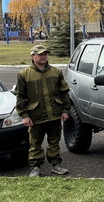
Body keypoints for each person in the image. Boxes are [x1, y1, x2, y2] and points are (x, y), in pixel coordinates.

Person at [16, 45, 72, 177]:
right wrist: (24, 115)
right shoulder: (24, 74)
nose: (43, 57)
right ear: (32, 56)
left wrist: (65, 110)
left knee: (54, 141)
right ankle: (36, 167)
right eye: (40, 54)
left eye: (45, 54)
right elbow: (21, 96)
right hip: (35, 116)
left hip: (54, 114)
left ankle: (56, 165)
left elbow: (64, 92)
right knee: (35, 143)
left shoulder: (56, 72)